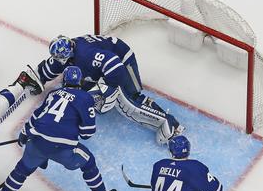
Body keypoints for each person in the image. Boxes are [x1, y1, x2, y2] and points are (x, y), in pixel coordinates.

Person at [0, 66, 118, 191]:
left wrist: (24, 134)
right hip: (63, 150)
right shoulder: (85, 97)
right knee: (88, 162)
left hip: (37, 142)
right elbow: (87, 133)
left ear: (64, 80)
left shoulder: (53, 93)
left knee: (22, 169)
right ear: (79, 81)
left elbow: (36, 116)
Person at [36, 34, 183, 144]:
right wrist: (36, 79)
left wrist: (109, 89)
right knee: (80, 91)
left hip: (122, 60)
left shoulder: (85, 54)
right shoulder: (68, 52)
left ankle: (170, 122)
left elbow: (115, 66)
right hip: (104, 64)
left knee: (131, 98)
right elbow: (49, 68)